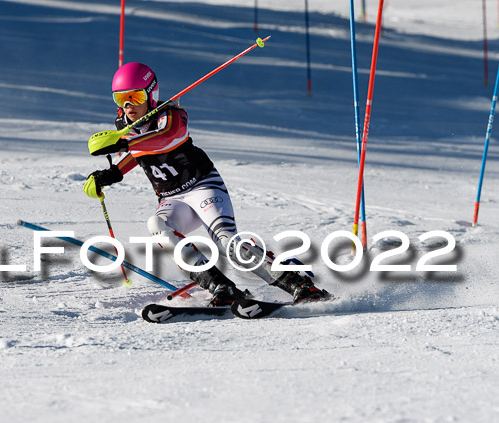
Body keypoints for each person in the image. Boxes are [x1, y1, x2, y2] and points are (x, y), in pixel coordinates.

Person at [83, 62, 330, 306]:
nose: (128, 106)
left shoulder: (172, 116)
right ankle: (220, 287)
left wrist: (125, 143)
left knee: (228, 245)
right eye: (121, 99)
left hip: (202, 186)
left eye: (135, 97)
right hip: (172, 199)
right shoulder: (125, 126)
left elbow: (165, 139)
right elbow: (139, 154)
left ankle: (300, 285)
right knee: (157, 225)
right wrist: (113, 173)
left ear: (151, 93)